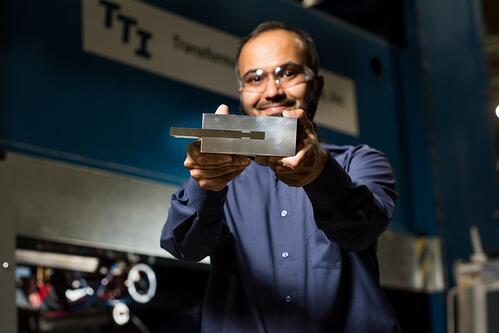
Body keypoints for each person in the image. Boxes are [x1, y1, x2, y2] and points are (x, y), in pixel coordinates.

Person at [161, 21, 400, 333]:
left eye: (288, 73)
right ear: (242, 93)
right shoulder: (220, 174)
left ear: (317, 85)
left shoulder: (361, 161)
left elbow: (361, 229)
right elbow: (186, 247)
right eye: (255, 78)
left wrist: (320, 175)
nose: (272, 91)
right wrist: (205, 186)